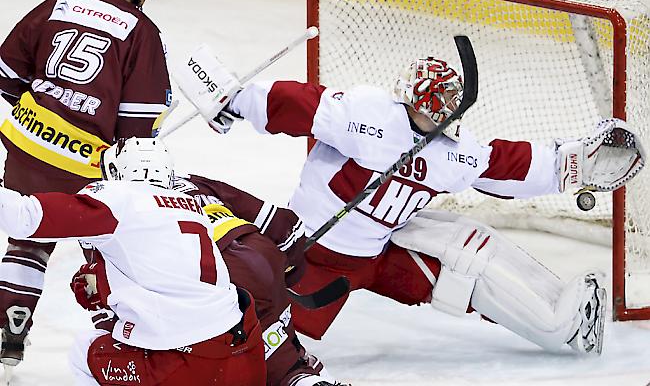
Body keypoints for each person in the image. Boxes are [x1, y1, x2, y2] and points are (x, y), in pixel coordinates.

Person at [172, 46, 645, 357]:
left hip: (377, 254)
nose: (432, 115)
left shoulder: (450, 152)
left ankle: (562, 323)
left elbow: (503, 166)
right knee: (261, 339)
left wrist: (570, 165)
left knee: (466, 257)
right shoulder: (369, 116)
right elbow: (302, 106)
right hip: (312, 254)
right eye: (427, 107)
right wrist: (237, 100)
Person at [0, 0, 172, 367]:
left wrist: (44, 112)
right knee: (108, 252)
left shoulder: (60, 3)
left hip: (25, 146)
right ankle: (123, 345)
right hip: (86, 166)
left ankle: (9, 328)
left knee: (28, 242)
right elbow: (137, 127)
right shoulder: (142, 30)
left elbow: (6, 73)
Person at [0, 137, 266, 385]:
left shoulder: (118, 198)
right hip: (247, 352)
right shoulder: (190, 205)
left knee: (86, 350)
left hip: (187, 363)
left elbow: (24, 218)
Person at [172, 172, 348, 386]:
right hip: (259, 254)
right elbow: (285, 225)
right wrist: (288, 273)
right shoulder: (190, 181)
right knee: (283, 353)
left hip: (216, 275)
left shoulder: (127, 205)